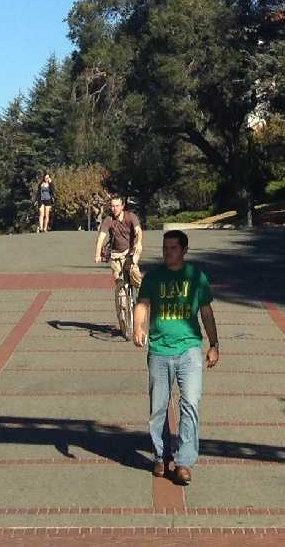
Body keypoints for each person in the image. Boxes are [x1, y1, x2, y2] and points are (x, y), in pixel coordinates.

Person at [133, 229, 219, 485]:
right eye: (165, 247)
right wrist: (138, 326)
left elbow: (206, 312)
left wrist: (214, 344)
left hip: (189, 349)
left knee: (190, 404)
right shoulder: (153, 277)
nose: (167, 252)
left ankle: (183, 462)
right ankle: (161, 456)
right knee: (158, 408)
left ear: (183, 250)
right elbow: (142, 304)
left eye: (172, 248)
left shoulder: (196, 277)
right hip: (159, 350)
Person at [93, 195, 145, 338]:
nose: (114, 208)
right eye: (112, 206)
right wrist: (97, 254)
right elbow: (101, 238)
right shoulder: (108, 220)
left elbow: (138, 231)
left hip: (130, 252)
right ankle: (124, 318)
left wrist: (138, 242)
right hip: (116, 255)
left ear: (122, 206)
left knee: (134, 273)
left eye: (117, 205)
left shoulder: (130, 217)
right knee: (119, 283)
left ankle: (140, 294)